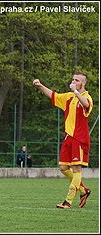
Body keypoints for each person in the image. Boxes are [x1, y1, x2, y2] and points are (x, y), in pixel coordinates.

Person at [33, 71, 93, 209]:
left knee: (77, 169)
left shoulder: (85, 97)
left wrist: (76, 93)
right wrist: (40, 85)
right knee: (63, 167)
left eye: (77, 80)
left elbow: (86, 105)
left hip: (79, 138)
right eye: (73, 79)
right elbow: (53, 95)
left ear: (83, 83)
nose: (74, 82)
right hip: (68, 138)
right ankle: (84, 191)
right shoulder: (69, 97)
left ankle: (68, 201)